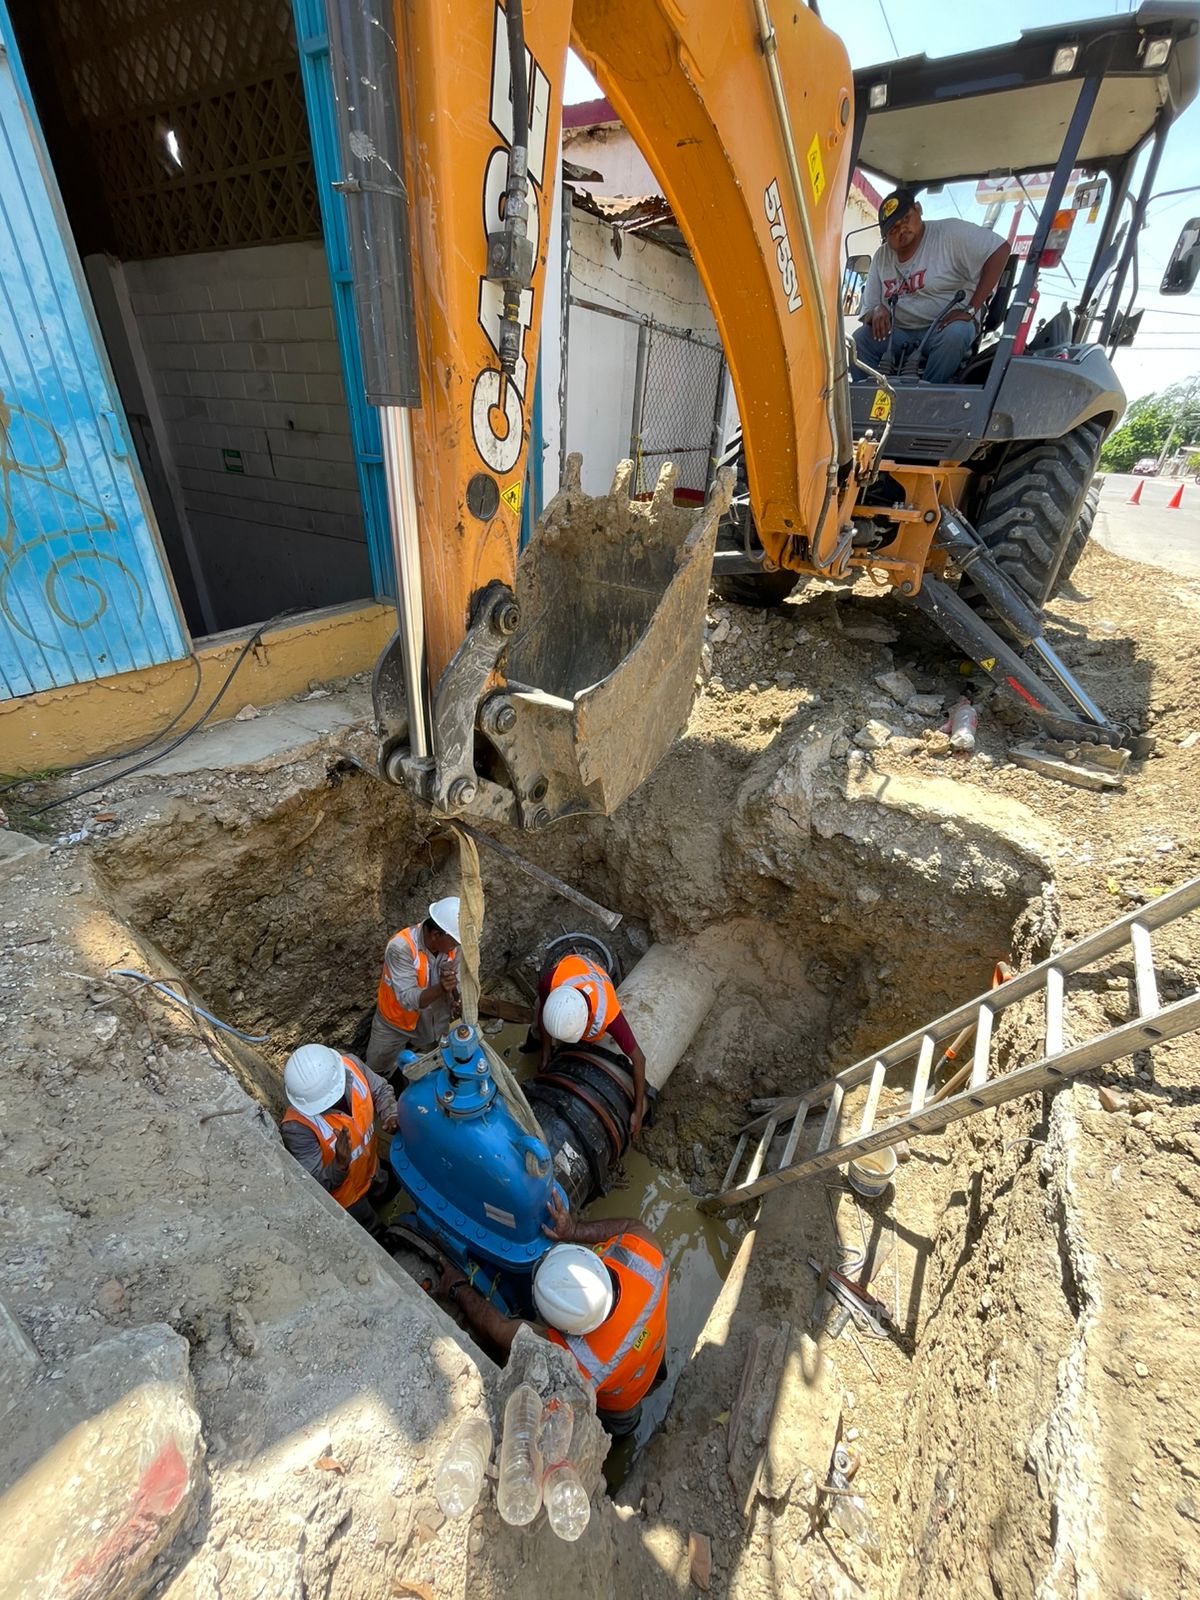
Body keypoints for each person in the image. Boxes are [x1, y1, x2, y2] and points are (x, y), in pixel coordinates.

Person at [437, 1191, 668, 1437]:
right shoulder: (646, 1256)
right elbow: (629, 1225)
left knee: (622, 1427)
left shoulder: (577, 1361)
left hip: (622, 1405)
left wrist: (457, 1286)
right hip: (654, 1350)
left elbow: (496, 1327)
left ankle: (625, 1434)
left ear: (568, 1331)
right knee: (654, 1374)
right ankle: (657, 1385)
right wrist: (574, 1231)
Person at [853, 188, 1010, 385]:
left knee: (957, 333)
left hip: (942, 330)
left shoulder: (950, 234)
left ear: (918, 209)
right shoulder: (881, 257)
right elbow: (869, 310)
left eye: (906, 219)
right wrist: (877, 309)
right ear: (886, 237)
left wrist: (971, 309)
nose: (902, 230)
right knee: (860, 341)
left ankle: (929, 398)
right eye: (893, 229)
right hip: (899, 334)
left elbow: (1000, 249)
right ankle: (868, 401)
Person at [280, 1043, 398, 1226]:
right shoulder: (297, 1128)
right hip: (348, 1197)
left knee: (387, 1188)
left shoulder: (352, 1066)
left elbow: (381, 1090)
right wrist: (340, 1165)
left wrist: (390, 1113)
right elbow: (314, 1183)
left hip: (371, 1166)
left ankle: (384, 1191)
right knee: (370, 1227)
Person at [535, 951, 647, 1136]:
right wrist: (545, 1054)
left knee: (597, 1038)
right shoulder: (551, 981)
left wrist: (638, 1110)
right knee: (538, 1009)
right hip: (574, 969)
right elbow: (543, 1016)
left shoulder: (609, 1015)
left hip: (597, 981)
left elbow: (639, 1059)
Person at [366, 897, 461, 1080]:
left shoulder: (451, 945)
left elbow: (456, 976)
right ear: (436, 935)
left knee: (432, 1064)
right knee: (376, 1073)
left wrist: (457, 998)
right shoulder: (401, 947)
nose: (456, 947)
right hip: (395, 1023)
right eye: (454, 942)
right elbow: (408, 999)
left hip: (432, 1022)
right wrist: (441, 988)